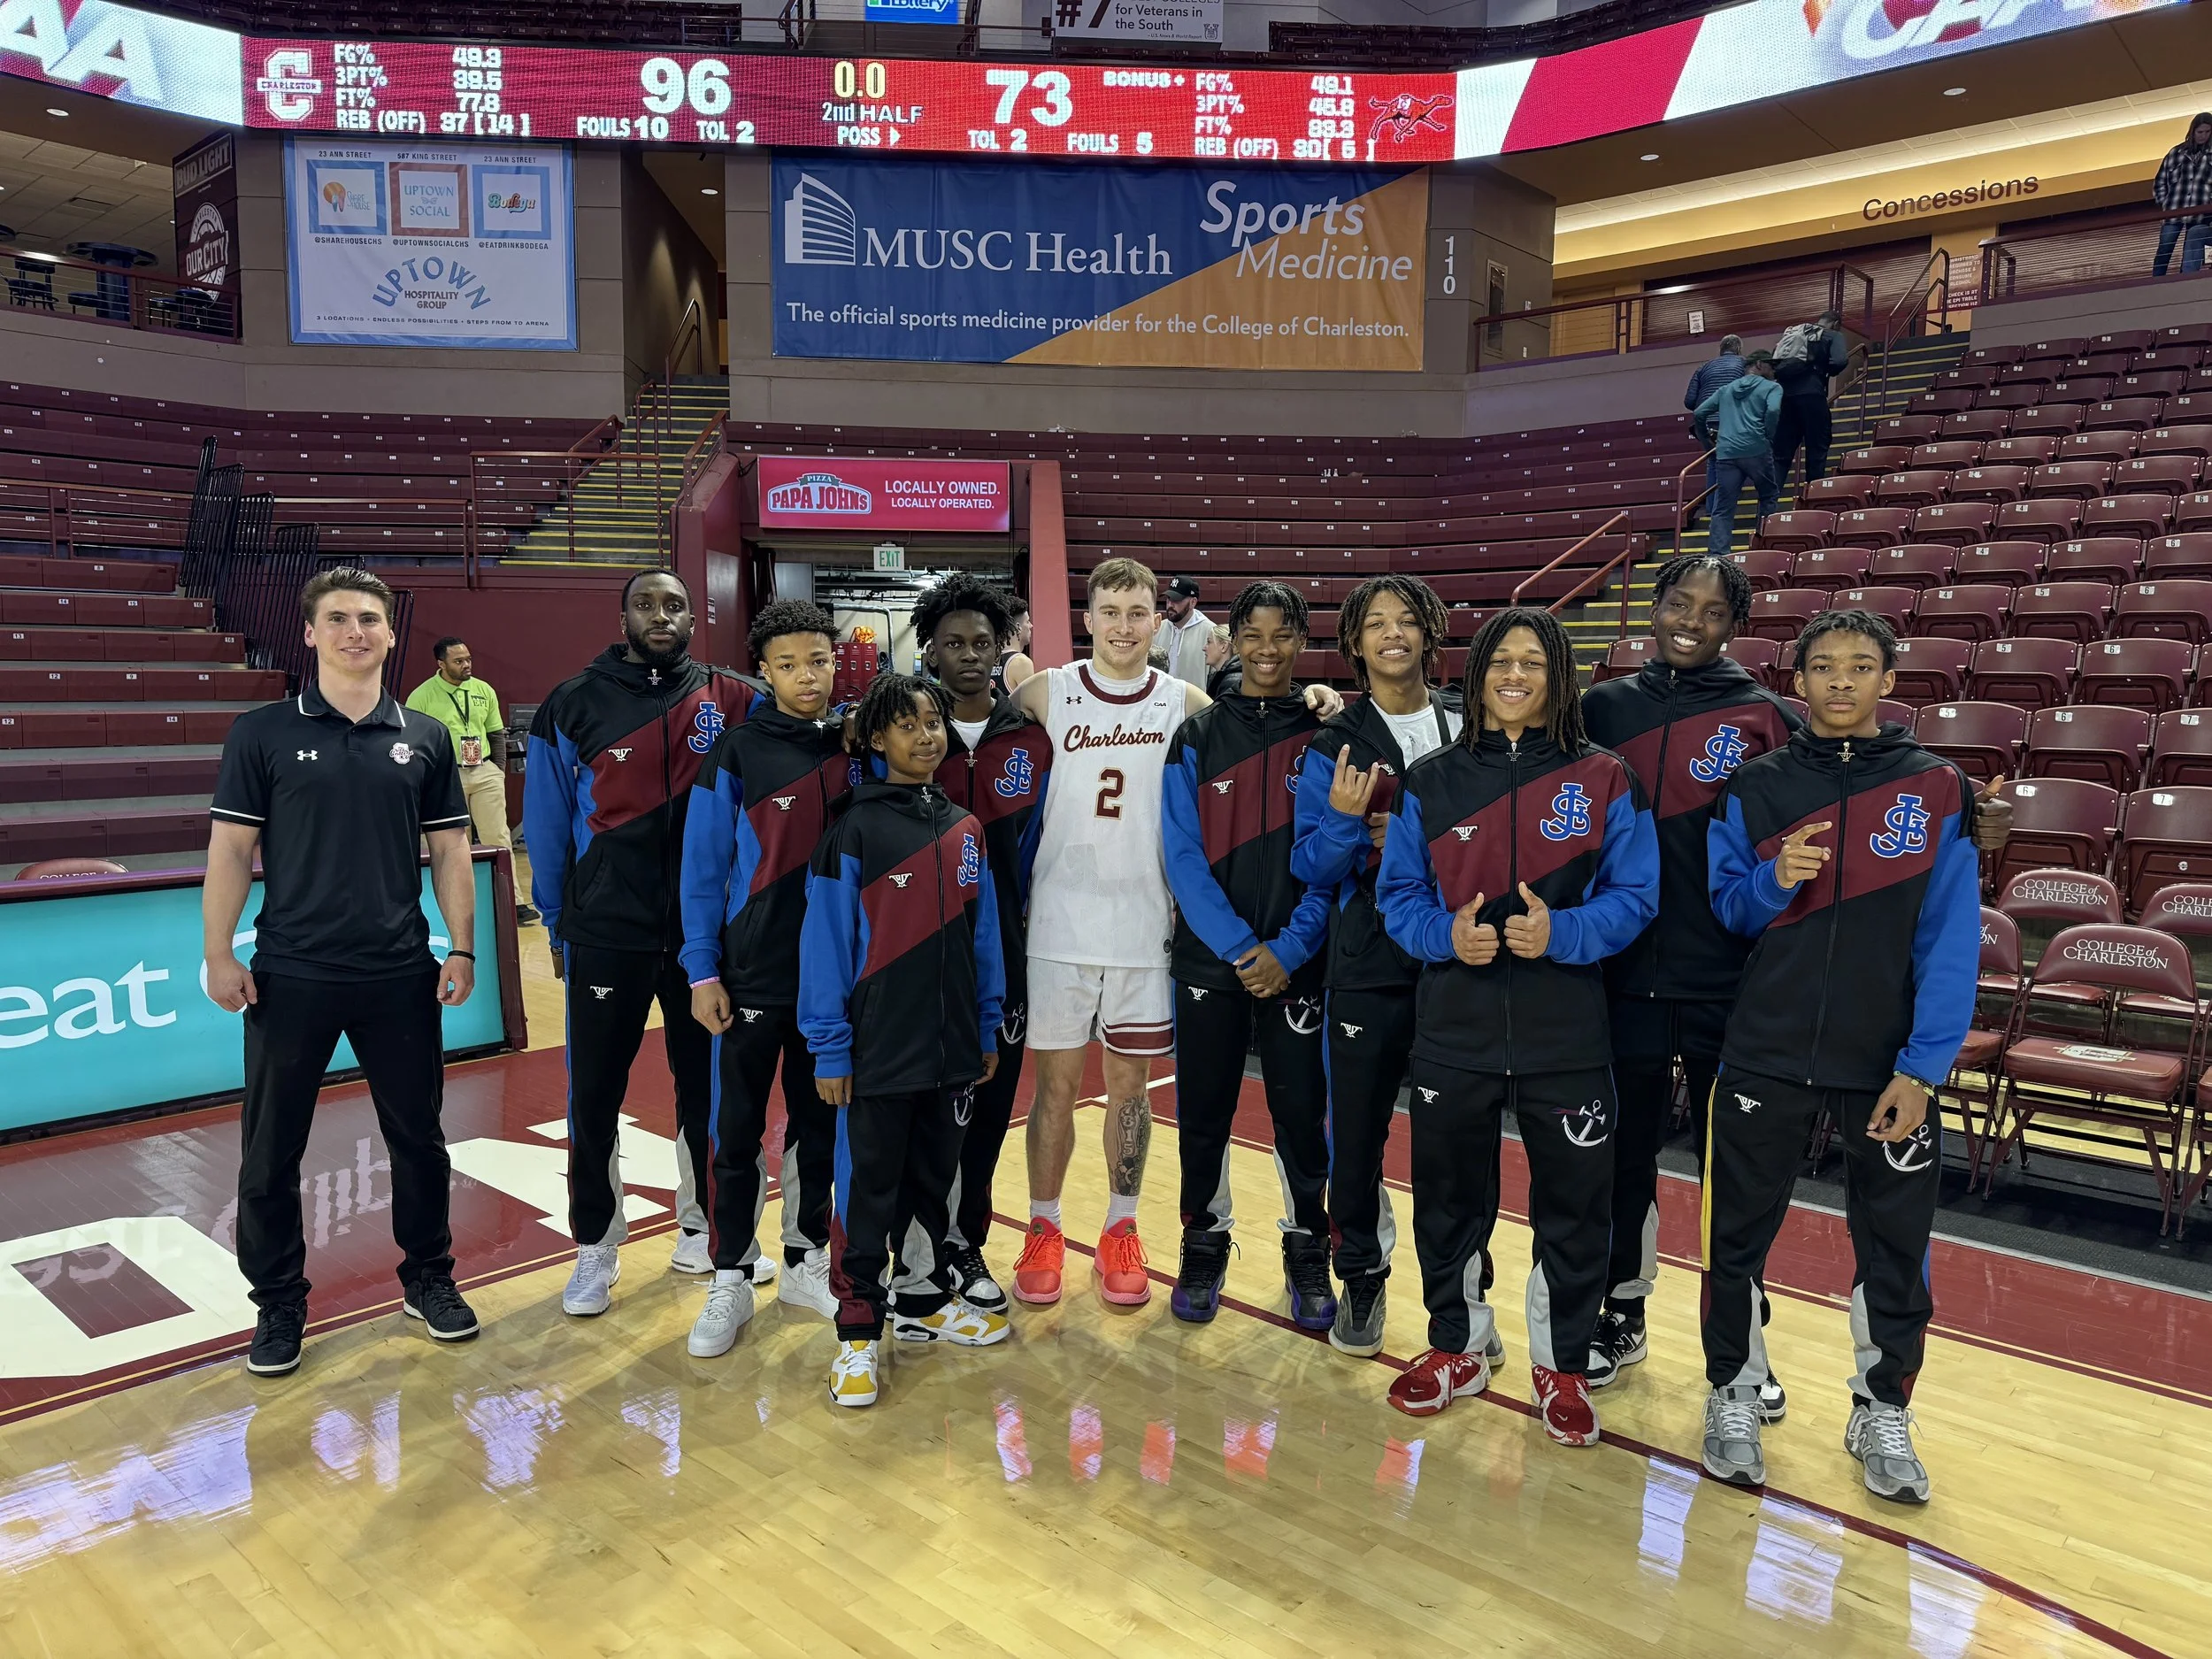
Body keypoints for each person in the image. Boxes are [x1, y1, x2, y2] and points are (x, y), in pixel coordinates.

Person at [1002, 557, 1340, 1310]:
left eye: (1138, 611)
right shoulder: (1040, 695)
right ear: (1088, 617)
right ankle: (1044, 1227)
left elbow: (1265, 712)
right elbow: (957, 729)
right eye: (1110, 610)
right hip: (1056, 924)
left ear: (1161, 619)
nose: (1124, 626)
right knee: (1052, 1089)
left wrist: (1320, 696)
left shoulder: (1185, 705)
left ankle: (1122, 1228)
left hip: (1145, 929)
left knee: (1130, 1090)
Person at [1700, 610, 1979, 1504]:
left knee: (1892, 1244)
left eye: (1861, 667)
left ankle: (1880, 1406)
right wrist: (1770, 880)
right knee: (1735, 1236)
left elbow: (1950, 939)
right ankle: (1733, 1391)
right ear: (1799, 680)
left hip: (1882, 1063)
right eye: (1823, 668)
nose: (1841, 683)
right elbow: (1726, 912)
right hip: (1765, 1047)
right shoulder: (1755, 787)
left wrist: (1922, 1066)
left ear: (1887, 681)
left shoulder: (1936, 787)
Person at [1378, 608, 1657, 1447]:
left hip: (1564, 1032)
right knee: (1450, 1199)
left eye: (1533, 661)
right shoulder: (1429, 779)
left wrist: (1561, 935)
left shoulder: (1605, 777)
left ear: (1557, 675)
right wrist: (1445, 938)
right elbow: (1400, 897)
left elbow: (1636, 897)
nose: (1514, 674)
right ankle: (1458, 1346)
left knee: (1573, 1208)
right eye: (1501, 660)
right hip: (1453, 1029)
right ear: (1477, 674)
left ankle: (1562, 1362)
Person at [204, 567, 480, 1376]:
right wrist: (220, 951)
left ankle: (428, 1277)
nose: (356, 630)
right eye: (338, 618)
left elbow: (452, 853)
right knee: (270, 1151)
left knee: (420, 1140)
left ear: (391, 634)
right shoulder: (260, 732)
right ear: (311, 633)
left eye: (369, 618)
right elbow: (229, 849)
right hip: (291, 972)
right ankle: (279, 1302)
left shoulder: (422, 736)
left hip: (400, 971)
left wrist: (460, 946)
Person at [523, 570, 764, 1316]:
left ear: (697, 617)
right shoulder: (573, 703)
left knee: (710, 1096)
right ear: (623, 615)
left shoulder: (733, 697)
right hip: (607, 932)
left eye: (675, 605)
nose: (661, 616)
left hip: (704, 941)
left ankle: (706, 1227)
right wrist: (560, 920)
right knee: (594, 1095)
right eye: (646, 604)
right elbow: (545, 818)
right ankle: (596, 1243)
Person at [801, 673, 1010, 1408]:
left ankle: (921, 1301)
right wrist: (829, 1046)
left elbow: (985, 939)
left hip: (952, 1049)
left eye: (934, 722)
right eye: (907, 724)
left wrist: (987, 1023)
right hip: (876, 1052)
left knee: (932, 1183)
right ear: (875, 739)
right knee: (867, 1190)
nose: (926, 735)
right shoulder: (852, 831)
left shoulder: (965, 826)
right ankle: (856, 1331)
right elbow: (825, 946)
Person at [1292, 573, 1471, 1359]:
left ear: (1430, 632)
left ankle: (1463, 1296)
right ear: (1355, 643)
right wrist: (1340, 823)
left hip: (1460, 962)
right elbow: (1311, 864)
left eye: (1407, 619)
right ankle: (1359, 1269)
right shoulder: (1333, 742)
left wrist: (1410, 840)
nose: (1393, 633)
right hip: (1366, 962)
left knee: (1454, 1143)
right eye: (1376, 623)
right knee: (1357, 1136)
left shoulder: (1473, 729)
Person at [677, 599, 850, 1358]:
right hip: (750, 976)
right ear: (766, 671)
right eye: (787, 664)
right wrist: (701, 967)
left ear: (836, 660)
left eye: (817, 660)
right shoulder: (737, 753)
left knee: (821, 1129)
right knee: (736, 1133)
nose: (806, 676)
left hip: (836, 985)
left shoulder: (860, 744)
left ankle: (808, 1256)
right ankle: (731, 1272)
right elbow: (703, 870)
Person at [1160, 581, 1334, 1327]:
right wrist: (1240, 947)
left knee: (1302, 1114)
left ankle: (1307, 1245)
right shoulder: (1195, 739)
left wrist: (1289, 949)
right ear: (1230, 639)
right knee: (1204, 1112)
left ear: (1301, 640)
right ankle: (1205, 1239)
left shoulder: (1330, 737)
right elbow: (1181, 855)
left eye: (1282, 634)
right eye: (1253, 634)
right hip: (1211, 963)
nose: (1268, 649)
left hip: (1299, 963)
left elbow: (1336, 857)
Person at [914, 576, 1049, 1314]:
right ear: (929, 649)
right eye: (954, 643)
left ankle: (965, 1240)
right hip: (912, 954)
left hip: (1006, 959)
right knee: (917, 1106)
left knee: (989, 1107)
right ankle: (912, 1242)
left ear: (1006, 647)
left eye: (984, 643)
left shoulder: (1032, 737)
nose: (970, 656)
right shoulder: (899, 730)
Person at [404, 637, 536, 921]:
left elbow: (496, 733)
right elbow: (413, 742)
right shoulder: (422, 696)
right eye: (458, 661)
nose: (467, 665)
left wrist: (497, 771)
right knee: (454, 842)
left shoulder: (483, 689)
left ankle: (512, 902)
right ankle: (459, 904)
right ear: (441, 664)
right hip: (446, 775)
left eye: (468, 659)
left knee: (498, 836)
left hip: (484, 770)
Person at [1696, 351, 1782, 557]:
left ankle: (1718, 555)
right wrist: (1768, 435)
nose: (1774, 370)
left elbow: (1699, 413)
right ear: (1760, 364)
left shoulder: (1726, 390)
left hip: (1727, 453)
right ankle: (1764, 545)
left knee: (1723, 507)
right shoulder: (1773, 387)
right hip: (1757, 449)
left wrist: (1705, 441)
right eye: (1771, 365)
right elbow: (1772, 412)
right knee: (1768, 495)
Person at [1771, 311, 1851, 488]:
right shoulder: (1832, 335)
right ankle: (1811, 498)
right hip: (1812, 395)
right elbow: (1839, 361)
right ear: (1836, 323)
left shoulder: (1795, 332)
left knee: (1780, 454)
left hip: (1784, 397)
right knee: (1817, 449)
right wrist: (1823, 369)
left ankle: (1767, 507)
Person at [1684, 335, 1747, 528]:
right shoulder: (1744, 365)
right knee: (1732, 464)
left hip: (1704, 423)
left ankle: (1712, 509)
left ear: (1721, 349)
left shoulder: (1703, 367)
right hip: (1730, 421)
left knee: (1713, 463)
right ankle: (1725, 509)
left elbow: (1689, 401)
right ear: (1738, 349)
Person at [2151, 112, 2212, 277]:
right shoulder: (2176, 153)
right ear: (2192, 132)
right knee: (2164, 249)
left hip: (2201, 212)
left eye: (2207, 132)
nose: (2204, 136)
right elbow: (2160, 181)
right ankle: (2156, 281)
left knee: (2191, 249)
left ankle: (2185, 279)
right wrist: (2165, 203)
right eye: (2200, 132)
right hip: (2174, 210)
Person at [1159, 575, 1212, 690]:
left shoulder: (1210, 633)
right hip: (1158, 704)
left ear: (1193, 602)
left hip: (1194, 706)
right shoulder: (1157, 629)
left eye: (1176, 600)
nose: (1170, 605)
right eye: (1168, 599)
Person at [996, 593, 1036, 692]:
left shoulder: (988, 660)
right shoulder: (1020, 662)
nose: (1031, 626)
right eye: (1027, 621)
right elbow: (1031, 706)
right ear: (1018, 627)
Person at [1202, 621, 1239, 698]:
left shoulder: (1232, 682)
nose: (1204, 648)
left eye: (1209, 642)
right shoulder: (1218, 677)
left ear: (1224, 646)